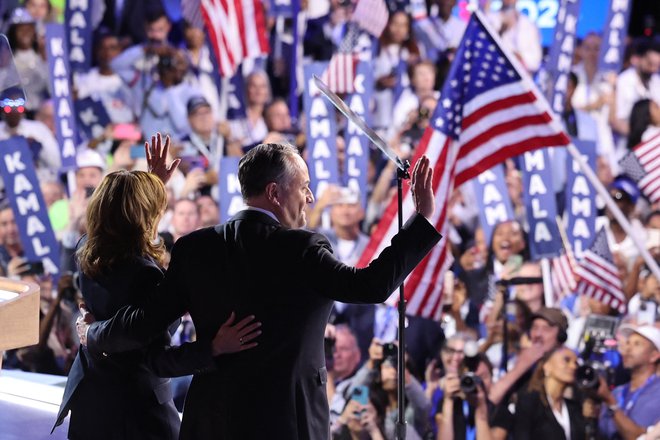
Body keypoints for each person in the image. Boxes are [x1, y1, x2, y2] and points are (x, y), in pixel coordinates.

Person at [78, 138, 441, 439]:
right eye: (304, 186)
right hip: (287, 423)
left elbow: (144, 324)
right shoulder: (303, 249)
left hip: (213, 423)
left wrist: (93, 332)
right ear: (275, 192)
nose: (311, 197)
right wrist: (420, 219)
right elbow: (373, 285)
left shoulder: (194, 248)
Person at [54, 163, 260, 439]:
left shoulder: (86, 248)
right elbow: (156, 359)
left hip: (92, 403)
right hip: (136, 415)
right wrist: (213, 348)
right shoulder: (146, 275)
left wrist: (153, 184)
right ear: (142, 214)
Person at [597, 324, 660, 439]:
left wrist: (611, 403)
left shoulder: (657, 393)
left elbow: (641, 437)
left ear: (654, 355)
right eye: (627, 343)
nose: (628, 349)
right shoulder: (616, 392)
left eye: (637, 344)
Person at [512, 346, 586, 439]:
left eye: (576, 363)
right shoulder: (530, 401)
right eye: (566, 360)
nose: (574, 366)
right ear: (547, 366)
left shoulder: (574, 407)